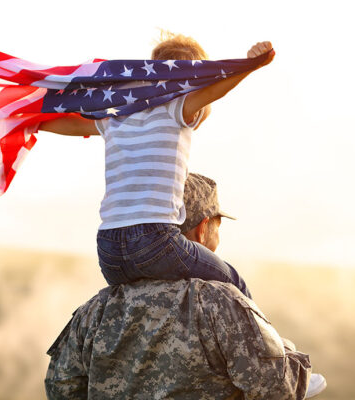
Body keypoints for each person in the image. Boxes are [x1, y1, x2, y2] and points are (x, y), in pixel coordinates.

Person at [44, 173, 327, 399]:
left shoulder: (96, 308)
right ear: (203, 229)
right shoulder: (219, 301)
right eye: (217, 228)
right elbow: (275, 387)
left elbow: (61, 387)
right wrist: (287, 351)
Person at [39, 33, 272, 298]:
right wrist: (251, 65)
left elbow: (69, 124)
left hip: (109, 252)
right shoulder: (176, 107)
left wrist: (27, 120)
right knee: (235, 284)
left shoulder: (118, 113)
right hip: (155, 242)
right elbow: (214, 93)